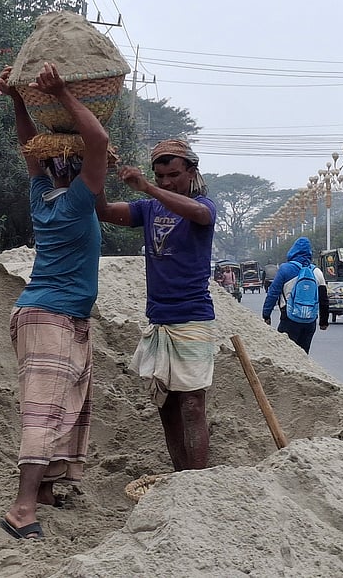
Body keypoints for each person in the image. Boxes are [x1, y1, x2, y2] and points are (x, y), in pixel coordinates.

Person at [0, 62, 109, 540]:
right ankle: (22, 509)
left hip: (46, 313)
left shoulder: (42, 193)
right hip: (53, 316)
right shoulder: (77, 200)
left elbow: (28, 148)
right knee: (44, 411)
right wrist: (62, 95)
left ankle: (41, 491)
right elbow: (99, 143)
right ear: (75, 169)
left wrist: (20, 101)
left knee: (62, 405)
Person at [97, 139, 218, 471]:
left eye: (173, 175)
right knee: (166, 404)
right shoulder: (149, 209)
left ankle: (198, 480)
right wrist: (96, 173)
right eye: (160, 176)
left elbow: (199, 214)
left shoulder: (204, 205)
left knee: (192, 404)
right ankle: (182, 476)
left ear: (192, 172)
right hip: (160, 319)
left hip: (193, 319)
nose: (167, 182)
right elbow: (104, 212)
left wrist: (147, 187)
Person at [262, 237, 329, 353]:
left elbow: (273, 293)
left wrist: (266, 314)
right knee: (303, 354)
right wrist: (324, 321)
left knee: (285, 354)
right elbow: (323, 299)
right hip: (309, 321)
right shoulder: (317, 272)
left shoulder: (285, 269)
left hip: (289, 319)